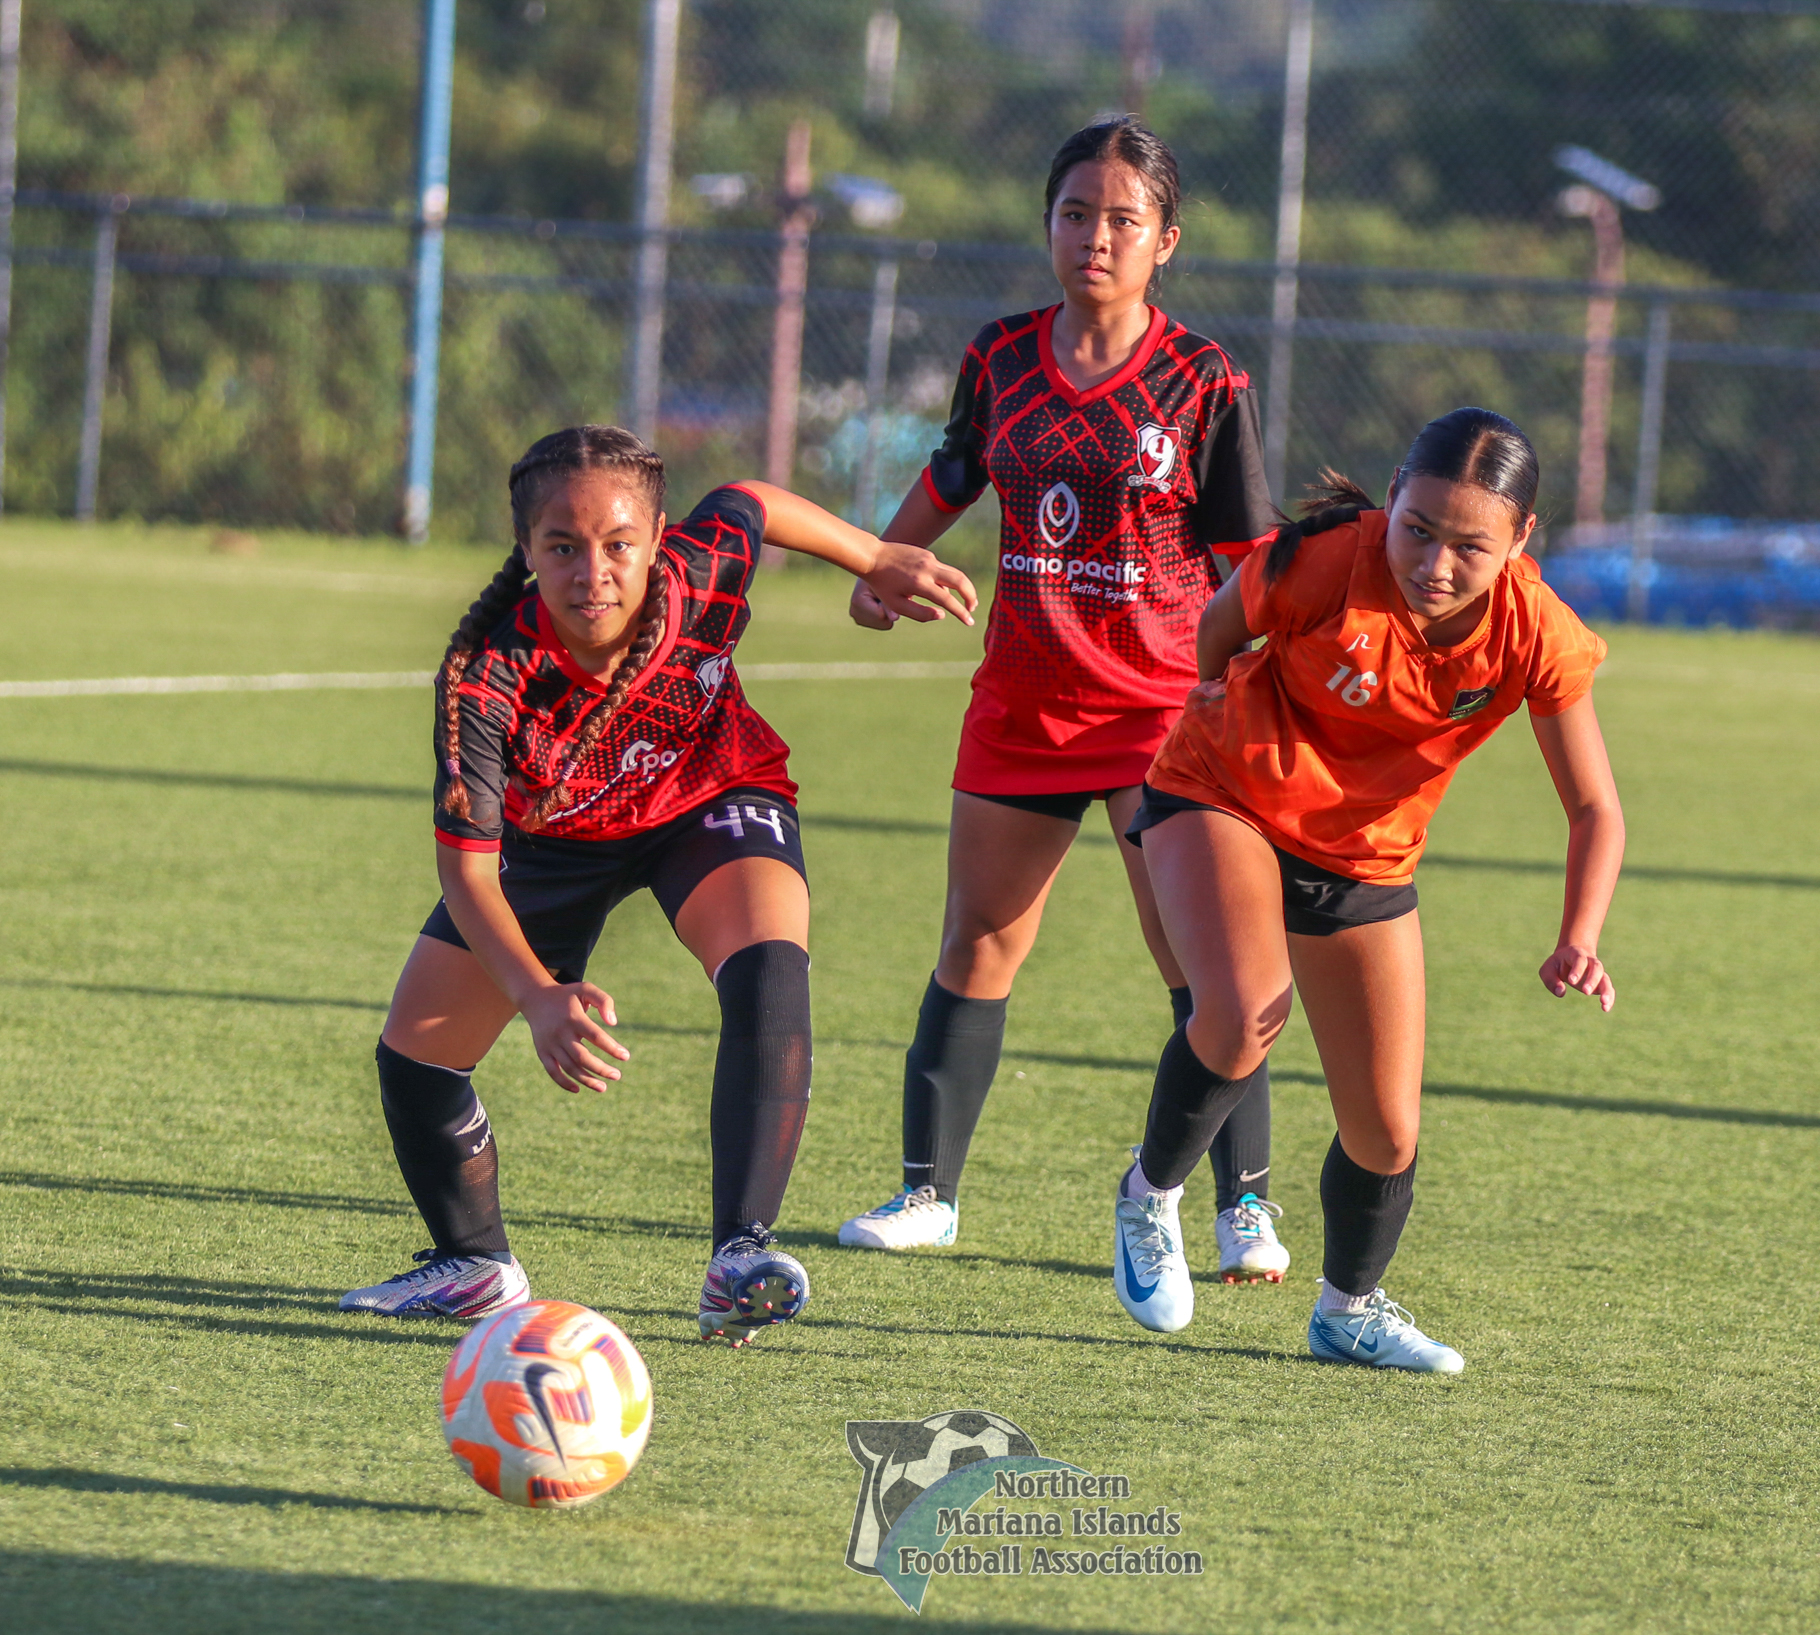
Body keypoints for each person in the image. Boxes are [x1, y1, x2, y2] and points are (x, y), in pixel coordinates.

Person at [340, 425, 975, 1344]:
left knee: (769, 961)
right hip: (556, 840)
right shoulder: (485, 681)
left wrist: (875, 556)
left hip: (708, 791)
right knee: (416, 1060)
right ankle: (475, 1263)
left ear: (657, 537)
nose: (591, 571)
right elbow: (468, 870)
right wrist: (540, 995)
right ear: (526, 551)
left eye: (617, 544)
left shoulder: (701, 569)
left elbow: (752, 504)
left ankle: (739, 1256)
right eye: (561, 547)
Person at [837, 116, 1294, 1282]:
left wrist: (1259, 686)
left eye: (1122, 219)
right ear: (1049, 224)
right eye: (1076, 212)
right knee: (977, 943)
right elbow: (951, 473)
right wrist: (882, 567)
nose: (1096, 235)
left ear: (1166, 241)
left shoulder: (1202, 379)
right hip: (1022, 706)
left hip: (1161, 719)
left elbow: (1252, 554)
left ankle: (1242, 1208)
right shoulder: (998, 355)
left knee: (1200, 974)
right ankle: (925, 1195)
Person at [1113, 407, 1624, 1371]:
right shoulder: (1323, 560)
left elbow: (1595, 806)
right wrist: (1215, 690)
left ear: (1520, 543)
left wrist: (1579, 934)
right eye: (1418, 528)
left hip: (1367, 859)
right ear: (1391, 497)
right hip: (1224, 794)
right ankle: (1150, 1197)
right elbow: (1218, 628)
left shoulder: (1535, 633)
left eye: (1470, 545)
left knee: (1386, 1129)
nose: (1434, 561)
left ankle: (1348, 1309)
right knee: (1238, 1014)